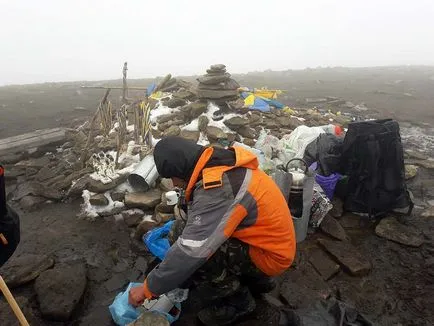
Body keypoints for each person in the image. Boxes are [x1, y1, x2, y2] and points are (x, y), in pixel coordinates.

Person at [129, 137, 296, 325]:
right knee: (183, 231)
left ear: (180, 171)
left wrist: (148, 288)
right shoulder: (216, 162)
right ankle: (258, 281)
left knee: (198, 250)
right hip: (270, 242)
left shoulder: (218, 186)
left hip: (270, 256)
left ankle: (239, 303)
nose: (174, 184)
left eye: (171, 177)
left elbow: (192, 250)